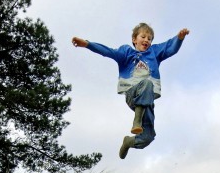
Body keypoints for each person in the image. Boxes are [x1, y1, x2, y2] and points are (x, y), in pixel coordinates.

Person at [72, 23, 190, 159]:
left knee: (148, 137)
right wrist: (87, 44)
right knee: (146, 83)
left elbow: (169, 47)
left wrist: (179, 39)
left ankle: (128, 141)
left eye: (150, 39)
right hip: (132, 93)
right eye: (143, 37)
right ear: (134, 39)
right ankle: (137, 120)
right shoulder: (126, 52)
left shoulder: (154, 53)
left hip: (147, 100)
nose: (147, 40)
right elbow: (108, 51)